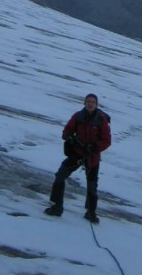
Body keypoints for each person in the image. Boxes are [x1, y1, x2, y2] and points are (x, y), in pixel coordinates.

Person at [44, 93, 111, 223]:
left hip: (92, 157)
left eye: (92, 102)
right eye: (88, 101)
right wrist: (70, 138)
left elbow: (107, 140)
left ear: (96, 104)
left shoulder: (101, 120)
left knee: (92, 186)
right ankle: (56, 206)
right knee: (60, 176)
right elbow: (66, 132)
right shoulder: (78, 116)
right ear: (84, 103)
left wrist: (94, 147)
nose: (90, 104)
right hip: (77, 153)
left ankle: (91, 212)